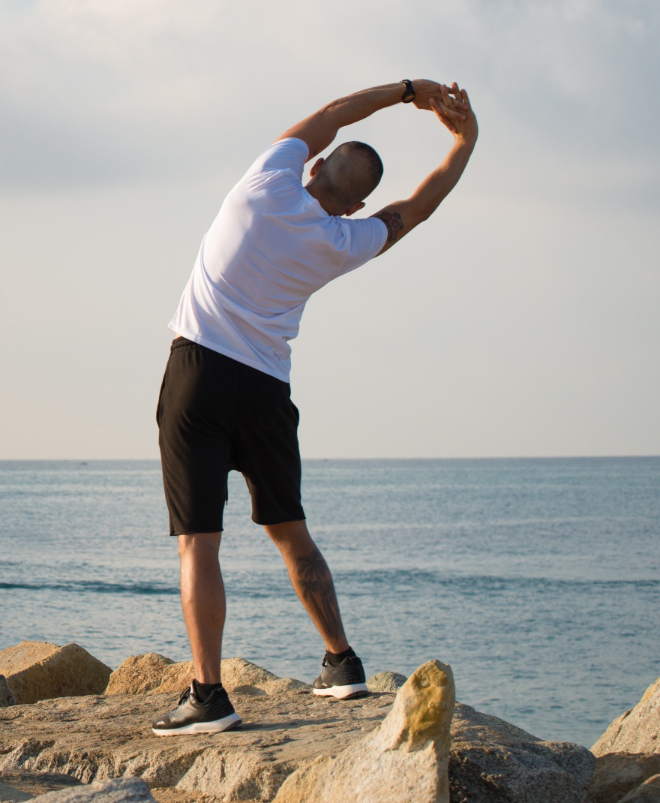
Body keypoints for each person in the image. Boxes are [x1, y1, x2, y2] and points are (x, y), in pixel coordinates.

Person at [150, 79, 479, 735]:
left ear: (315, 164)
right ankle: (342, 661)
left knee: (198, 543)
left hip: (200, 372)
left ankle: (209, 696)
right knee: (290, 530)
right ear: (356, 201)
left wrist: (409, 91)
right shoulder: (342, 241)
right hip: (267, 389)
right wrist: (465, 139)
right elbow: (417, 207)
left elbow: (331, 114)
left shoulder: (263, 182)